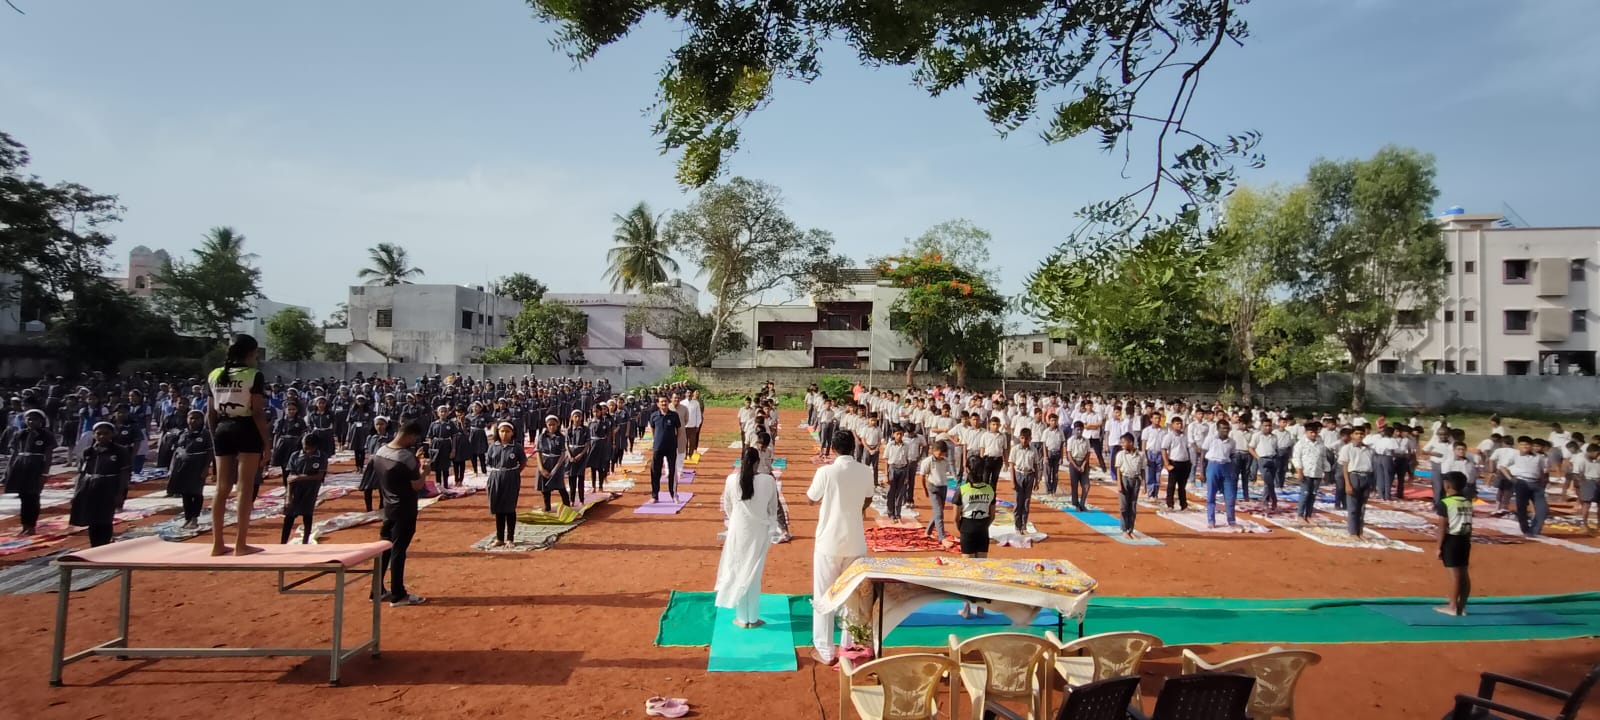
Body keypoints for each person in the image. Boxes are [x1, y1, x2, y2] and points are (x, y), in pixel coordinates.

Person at [806, 431, 874, 666]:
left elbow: (811, 498)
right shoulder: (865, 471)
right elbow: (868, 498)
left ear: (833, 449)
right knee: (852, 595)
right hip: (855, 541)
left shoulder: (826, 472)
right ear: (853, 448)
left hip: (829, 542)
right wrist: (855, 506)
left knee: (824, 595)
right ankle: (848, 643)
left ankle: (825, 650)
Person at [206, 334, 271, 556]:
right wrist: (267, 444)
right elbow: (258, 412)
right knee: (244, 487)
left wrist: (214, 437)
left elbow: (210, 413)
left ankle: (217, 544)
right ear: (251, 353)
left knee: (221, 488)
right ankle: (240, 544)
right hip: (246, 428)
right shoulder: (254, 375)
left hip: (222, 429)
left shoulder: (214, 374)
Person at [714, 447, 781, 629]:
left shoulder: (731, 480)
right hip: (759, 532)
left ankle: (743, 618)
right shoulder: (768, 481)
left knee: (738, 570)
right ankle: (752, 617)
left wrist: (738, 519)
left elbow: (728, 507)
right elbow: (773, 508)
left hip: (739, 531)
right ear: (758, 462)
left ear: (741, 462)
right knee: (754, 574)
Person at [373, 417, 427, 606]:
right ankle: (398, 594)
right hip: (404, 508)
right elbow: (417, 484)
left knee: (384, 548)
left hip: (388, 506)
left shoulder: (381, 451)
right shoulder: (406, 457)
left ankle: (377, 589)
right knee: (398, 550)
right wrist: (425, 470)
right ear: (411, 436)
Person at [71, 422, 131, 547]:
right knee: (92, 518)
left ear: (112, 434)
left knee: (105, 518)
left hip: (109, 488)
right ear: (94, 435)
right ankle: (94, 545)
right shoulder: (88, 452)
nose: (102, 436)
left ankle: (104, 544)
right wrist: (76, 491)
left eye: (106, 433)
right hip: (90, 487)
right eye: (99, 434)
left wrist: (121, 493)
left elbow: (124, 474)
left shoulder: (120, 451)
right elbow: (81, 473)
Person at [5, 409, 56, 536]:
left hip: (36, 467)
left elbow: (48, 455)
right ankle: (25, 525)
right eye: (29, 419)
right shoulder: (20, 434)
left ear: (42, 421)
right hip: (21, 466)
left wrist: (45, 473)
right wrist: (9, 469)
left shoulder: (46, 435)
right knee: (23, 496)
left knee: (33, 496)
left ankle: (31, 525)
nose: (32, 421)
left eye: (35, 419)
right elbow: (14, 453)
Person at [166, 410, 213, 529]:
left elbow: (210, 452)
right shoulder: (183, 433)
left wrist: (206, 468)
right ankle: (187, 517)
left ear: (202, 420)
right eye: (191, 418)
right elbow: (177, 450)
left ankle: (195, 518)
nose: (194, 421)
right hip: (183, 467)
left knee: (196, 492)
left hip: (198, 467)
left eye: (197, 418)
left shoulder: (205, 434)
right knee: (185, 493)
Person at [1437, 471, 1473, 616]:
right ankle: (1461, 606)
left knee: (1455, 575)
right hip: (1465, 540)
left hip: (1452, 540)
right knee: (1464, 574)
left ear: (1447, 485)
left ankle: (1452, 607)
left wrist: (1439, 547)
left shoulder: (1446, 503)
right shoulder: (1467, 501)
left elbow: (1442, 526)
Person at [485, 421, 527, 546]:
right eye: (502, 431)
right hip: (496, 477)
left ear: (512, 433)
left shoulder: (516, 447)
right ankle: (499, 538)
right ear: (498, 432)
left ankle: (510, 538)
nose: (504, 434)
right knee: (498, 508)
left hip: (511, 478)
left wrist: (513, 472)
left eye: (507, 431)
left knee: (509, 508)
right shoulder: (493, 446)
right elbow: (489, 462)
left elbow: (523, 462)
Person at [282, 434, 327, 544]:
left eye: (309, 447)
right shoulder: (295, 455)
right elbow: (290, 478)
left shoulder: (321, 457)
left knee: (307, 515)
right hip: (295, 490)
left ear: (315, 446)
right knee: (289, 517)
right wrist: (288, 497)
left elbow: (319, 476)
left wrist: (300, 477)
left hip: (310, 491)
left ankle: (305, 541)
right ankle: (283, 542)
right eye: (304, 446)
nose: (306, 449)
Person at [1339, 425, 1377, 537]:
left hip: (1367, 476)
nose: (1359, 436)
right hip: (1354, 476)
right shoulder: (1347, 448)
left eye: (1361, 434)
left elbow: (1373, 467)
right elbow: (1345, 467)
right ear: (1351, 435)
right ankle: (1352, 532)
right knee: (1353, 507)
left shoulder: (1369, 449)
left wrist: (1373, 484)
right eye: (1356, 433)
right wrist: (1347, 484)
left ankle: (1359, 532)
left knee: (1362, 507)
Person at [1202, 420, 1238, 529]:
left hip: (1226, 467)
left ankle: (1231, 520)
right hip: (1213, 465)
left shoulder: (1232, 442)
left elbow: (1232, 456)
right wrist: (1202, 471)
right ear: (1218, 429)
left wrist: (1233, 470)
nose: (1225, 431)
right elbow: (1203, 454)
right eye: (1223, 428)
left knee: (1230, 495)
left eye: (1227, 428)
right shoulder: (1211, 439)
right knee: (1211, 495)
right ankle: (1211, 520)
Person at [647, 396, 683, 503]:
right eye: (661, 402)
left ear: (668, 402)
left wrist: (674, 441)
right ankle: (655, 496)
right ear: (658, 404)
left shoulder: (674, 415)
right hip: (658, 447)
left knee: (672, 471)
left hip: (671, 447)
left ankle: (674, 495)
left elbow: (679, 430)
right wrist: (656, 440)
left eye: (665, 401)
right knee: (655, 471)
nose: (664, 403)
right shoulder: (654, 415)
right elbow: (653, 429)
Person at [919, 439, 956, 543]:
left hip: (943, 487)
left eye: (943, 454)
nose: (941, 455)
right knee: (939, 513)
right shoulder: (927, 462)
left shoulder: (945, 461)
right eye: (940, 453)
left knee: (938, 511)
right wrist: (925, 489)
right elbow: (922, 476)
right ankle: (942, 537)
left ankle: (928, 531)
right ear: (933, 451)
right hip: (933, 488)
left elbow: (948, 471)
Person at [1007, 427, 1042, 533]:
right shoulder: (1015, 449)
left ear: (1030, 439)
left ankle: (1024, 526)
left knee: (1026, 502)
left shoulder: (1033, 450)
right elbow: (1011, 465)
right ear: (1019, 438)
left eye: (1026, 438)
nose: (1024, 441)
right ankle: (1017, 526)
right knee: (1018, 502)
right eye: (1022, 438)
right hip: (1019, 475)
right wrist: (1012, 481)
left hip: (1029, 476)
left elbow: (1036, 465)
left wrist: (1037, 480)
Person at [535, 415, 570, 511]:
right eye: (549, 425)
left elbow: (563, 454)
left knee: (560, 486)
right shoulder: (541, 437)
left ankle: (567, 507)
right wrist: (541, 468)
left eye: (553, 425)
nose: (551, 427)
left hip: (556, 463)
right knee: (545, 487)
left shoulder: (561, 437)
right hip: (545, 462)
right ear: (546, 425)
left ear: (557, 425)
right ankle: (547, 507)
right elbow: (538, 452)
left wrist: (556, 468)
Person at [359, 416, 392, 512]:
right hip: (371, 465)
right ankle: (369, 509)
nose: (379, 426)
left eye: (382, 424)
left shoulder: (390, 438)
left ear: (386, 425)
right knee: (367, 489)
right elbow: (368, 451)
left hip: (384, 466)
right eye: (377, 424)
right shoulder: (371, 438)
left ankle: (382, 509)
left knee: (382, 489)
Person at [1580, 443, 1600, 532]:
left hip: (1598, 481)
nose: (1598, 455)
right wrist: (1582, 484)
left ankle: (1599, 525)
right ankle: (1584, 525)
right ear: (1592, 452)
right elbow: (1578, 473)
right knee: (1587, 504)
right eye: (1597, 453)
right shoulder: (1582, 459)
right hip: (1588, 481)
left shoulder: (1598, 459)